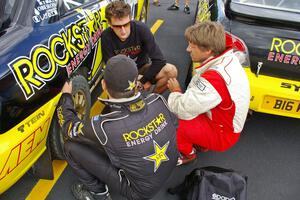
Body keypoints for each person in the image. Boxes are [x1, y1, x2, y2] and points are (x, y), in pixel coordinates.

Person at [57, 55, 178, 200]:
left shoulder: (103, 126)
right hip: (168, 168)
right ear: (136, 81)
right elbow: (174, 126)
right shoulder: (158, 100)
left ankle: (99, 194)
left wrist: (66, 96)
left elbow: (68, 128)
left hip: (139, 193)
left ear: (103, 85)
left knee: (70, 146)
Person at [167, 21, 250, 166]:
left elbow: (182, 109)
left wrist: (175, 91)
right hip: (225, 122)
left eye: (192, 46)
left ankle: (188, 154)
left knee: (172, 121)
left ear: (208, 50)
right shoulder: (227, 57)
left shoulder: (215, 79)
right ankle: (201, 142)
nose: (187, 49)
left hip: (223, 134)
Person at [101, 0, 177, 94]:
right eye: (118, 26)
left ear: (130, 18)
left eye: (126, 24)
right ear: (110, 24)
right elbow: (111, 67)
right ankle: (121, 104)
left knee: (171, 71)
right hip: (121, 73)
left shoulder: (141, 29)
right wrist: (130, 82)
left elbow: (159, 60)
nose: (123, 31)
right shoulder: (106, 36)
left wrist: (144, 80)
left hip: (141, 69)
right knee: (108, 81)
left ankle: (152, 100)